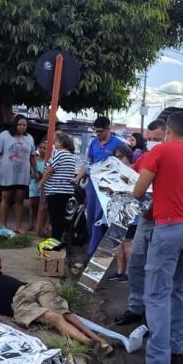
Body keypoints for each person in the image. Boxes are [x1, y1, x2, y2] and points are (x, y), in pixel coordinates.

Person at [129, 112, 183, 364]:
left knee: (156, 293)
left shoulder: (160, 152)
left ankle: (158, 363)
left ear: (168, 131)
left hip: (168, 228)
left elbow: (139, 191)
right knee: (181, 289)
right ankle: (176, 350)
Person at [0, 260, 112, 354]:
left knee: (64, 312)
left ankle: (100, 340)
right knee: (54, 317)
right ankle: (90, 344)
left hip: (31, 286)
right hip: (18, 303)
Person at [114, 119, 167, 326]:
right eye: (150, 139)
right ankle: (136, 308)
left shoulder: (174, 157)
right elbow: (129, 174)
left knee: (158, 269)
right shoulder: (146, 157)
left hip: (165, 222)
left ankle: (154, 314)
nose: (153, 142)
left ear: (167, 134)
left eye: (157, 139)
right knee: (136, 263)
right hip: (146, 218)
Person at [72, 116, 123, 258]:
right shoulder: (94, 143)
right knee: (90, 217)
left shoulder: (118, 144)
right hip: (92, 186)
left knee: (99, 219)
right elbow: (87, 163)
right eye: (96, 131)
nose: (98, 134)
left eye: (100, 131)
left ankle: (94, 252)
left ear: (109, 128)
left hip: (107, 188)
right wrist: (77, 178)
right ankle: (92, 247)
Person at [0, 115, 38, 235]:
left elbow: (32, 156)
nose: (22, 127)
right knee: (6, 199)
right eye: (19, 124)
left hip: (23, 175)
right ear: (15, 124)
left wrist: (35, 171)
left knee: (19, 200)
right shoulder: (4, 135)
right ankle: (4, 226)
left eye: (24, 125)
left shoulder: (29, 138)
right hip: (6, 174)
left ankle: (17, 226)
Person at [39, 133, 78, 242]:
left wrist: (41, 182)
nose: (54, 144)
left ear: (60, 143)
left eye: (55, 141)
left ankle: (55, 240)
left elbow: (50, 170)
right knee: (60, 215)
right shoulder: (71, 156)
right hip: (66, 190)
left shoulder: (58, 153)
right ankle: (59, 238)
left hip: (55, 189)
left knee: (54, 216)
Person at [109, 145, 137, 283]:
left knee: (127, 242)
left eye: (121, 156)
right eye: (116, 156)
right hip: (116, 211)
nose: (118, 159)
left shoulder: (133, 172)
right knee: (118, 242)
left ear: (128, 157)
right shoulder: (115, 172)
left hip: (129, 213)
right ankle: (120, 271)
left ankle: (128, 273)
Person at [29, 140, 49, 235]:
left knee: (42, 207)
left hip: (43, 187)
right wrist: (35, 175)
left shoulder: (48, 161)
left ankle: (40, 225)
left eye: (44, 148)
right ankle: (32, 223)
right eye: (40, 148)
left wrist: (41, 176)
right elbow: (30, 173)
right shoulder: (35, 160)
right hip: (33, 186)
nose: (42, 150)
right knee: (33, 205)